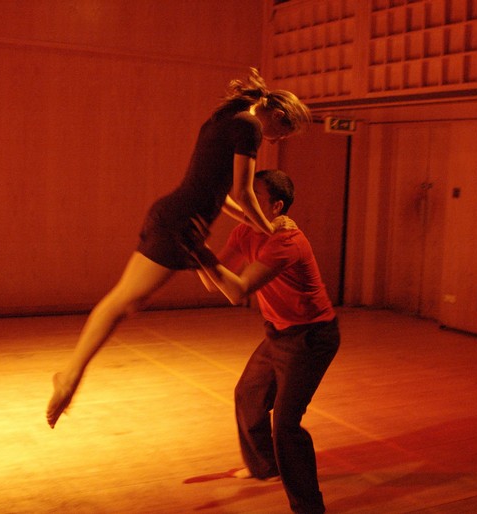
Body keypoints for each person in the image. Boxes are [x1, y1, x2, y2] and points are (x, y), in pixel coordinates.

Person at [47, 69, 311, 429]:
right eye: (282, 133)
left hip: (174, 214)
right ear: (278, 115)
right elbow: (244, 193)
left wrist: (254, 225)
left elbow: (218, 195)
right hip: (180, 223)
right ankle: (70, 375)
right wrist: (270, 230)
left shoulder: (230, 117)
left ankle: (71, 372)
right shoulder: (249, 127)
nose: (277, 141)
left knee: (129, 301)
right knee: (123, 302)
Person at [189, 169, 339, 514]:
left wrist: (196, 247)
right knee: (248, 395)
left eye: (253, 196)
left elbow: (237, 290)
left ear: (276, 206)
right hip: (278, 333)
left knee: (285, 426)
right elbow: (213, 282)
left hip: (311, 338)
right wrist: (196, 251)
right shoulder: (246, 231)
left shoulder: (287, 242)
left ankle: (309, 508)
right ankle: (265, 467)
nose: (244, 201)